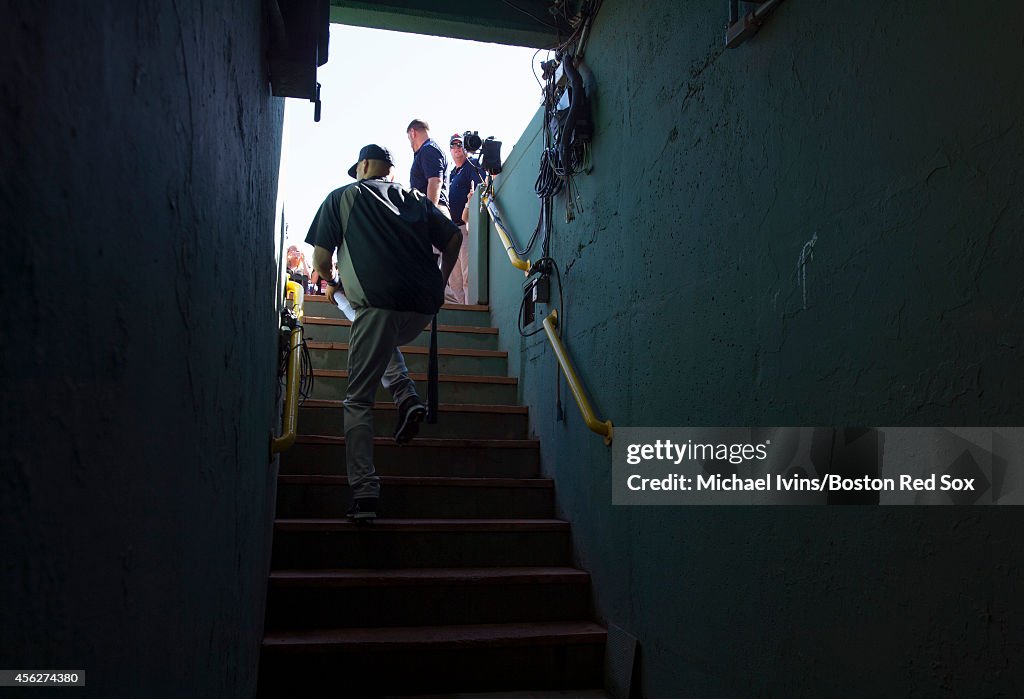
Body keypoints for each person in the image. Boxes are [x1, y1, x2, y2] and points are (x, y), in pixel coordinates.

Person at [306, 144, 462, 522]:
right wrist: (440, 286)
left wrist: (330, 283)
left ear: (362, 166)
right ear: (389, 170)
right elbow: (454, 238)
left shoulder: (343, 196)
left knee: (358, 399)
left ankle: (364, 493)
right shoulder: (413, 198)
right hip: (422, 309)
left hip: (378, 307)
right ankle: (407, 397)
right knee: (379, 336)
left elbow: (321, 261)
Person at [407, 119, 460, 304]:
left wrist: (426, 214)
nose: (410, 142)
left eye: (409, 137)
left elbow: (435, 181)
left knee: (428, 267)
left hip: (432, 211)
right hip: (432, 211)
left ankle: (440, 306)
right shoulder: (429, 150)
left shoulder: (429, 149)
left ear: (413, 132)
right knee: (428, 268)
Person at [447, 132, 485, 304]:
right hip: (452, 230)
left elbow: (480, 190)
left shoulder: (473, 164)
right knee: (454, 279)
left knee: (467, 273)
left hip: (466, 226)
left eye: (459, 144)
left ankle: (470, 309)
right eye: (453, 145)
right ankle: (461, 309)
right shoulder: (451, 174)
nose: (456, 148)